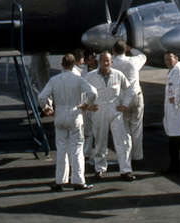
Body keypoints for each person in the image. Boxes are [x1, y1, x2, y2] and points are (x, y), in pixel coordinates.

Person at [36, 53, 98, 190]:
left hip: (60, 114)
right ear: (73, 64)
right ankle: (78, 181)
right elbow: (93, 93)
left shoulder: (54, 80)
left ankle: (60, 181)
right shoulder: (78, 79)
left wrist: (46, 107)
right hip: (75, 113)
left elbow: (41, 96)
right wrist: (87, 104)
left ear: (62, 65)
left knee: (61, 149)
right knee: (77, 149)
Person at [85, 52, 136, 181]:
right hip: (98, 109)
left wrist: (124, 104)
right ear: (99, 62)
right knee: (100, 141)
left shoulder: (118, 75)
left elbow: (130, 90)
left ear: (111, 62)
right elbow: (81, 91)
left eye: (108, 61)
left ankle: (125, 170)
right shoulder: (90, 77)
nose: (106, 63)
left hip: (115, 109)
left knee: (121, 141)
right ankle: (99, 169)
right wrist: (87, 106)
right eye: (103, 61)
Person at [109, 40, 147, 166]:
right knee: (136, 127)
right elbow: (143, 56)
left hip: (122, 99)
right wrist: (132, 49)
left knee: (125, 129)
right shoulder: (133, 61)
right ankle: (137, 156)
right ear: (125, 50)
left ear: (114, 52)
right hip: (136, 96)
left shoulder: (112, 63)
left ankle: (127, 156)